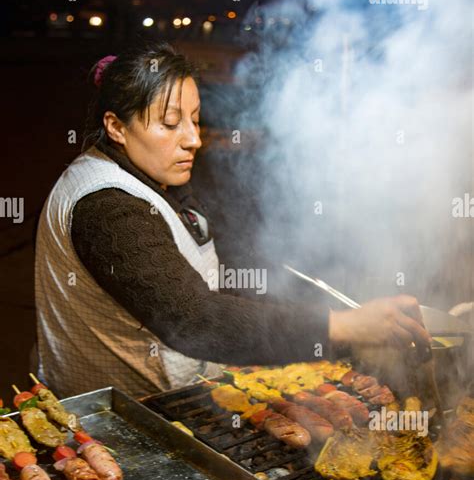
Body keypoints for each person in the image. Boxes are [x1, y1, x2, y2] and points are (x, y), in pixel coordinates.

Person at [34, 42, 431, 398]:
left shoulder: (147, 177)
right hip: (118, 427)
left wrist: (316, 306)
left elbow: (206, 273)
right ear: (116, 127)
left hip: (165, 405)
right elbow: (194, 319)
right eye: (171, 124)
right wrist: (342, 327)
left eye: (194, 119)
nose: (193, 138)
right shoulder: (108, 207)